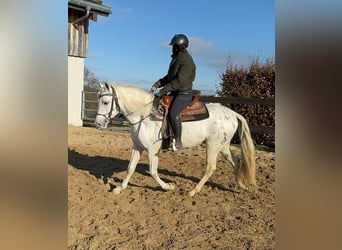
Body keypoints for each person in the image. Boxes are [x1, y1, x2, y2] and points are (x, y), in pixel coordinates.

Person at [151, 34, 196, 151]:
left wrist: (163, 91)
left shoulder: (186, 61)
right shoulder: (177, 58)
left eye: (173, 46)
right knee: (159, 105)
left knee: (173, 114)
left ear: (178, 47)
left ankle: (178, 141)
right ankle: (165, 138)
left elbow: (180, 81)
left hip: (183, 94)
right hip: (176, 93)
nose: (172, 48)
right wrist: (157, 84)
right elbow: (170, 77)